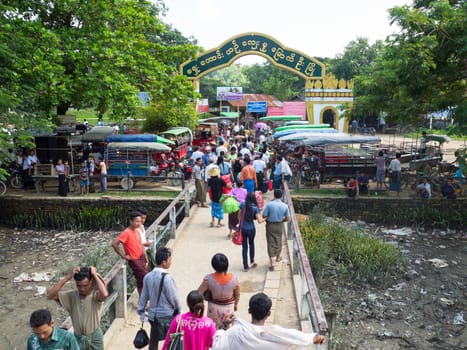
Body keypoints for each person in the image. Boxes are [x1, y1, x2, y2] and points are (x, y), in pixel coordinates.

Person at [212, 293, 326, 350]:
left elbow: (217, 346)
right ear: (268, 314)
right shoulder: (275, 333)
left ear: (249, 311)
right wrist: (313, 338)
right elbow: (294, 335)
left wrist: (224, 326)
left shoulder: (236, 332)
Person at [47, 266, 109, 350]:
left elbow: (104, 294)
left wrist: (94, 275)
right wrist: (68, 277)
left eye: (85, 285)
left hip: (95, 336)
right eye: (78, 286)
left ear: (91, 282)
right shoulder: (72, 296)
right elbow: (51, 295)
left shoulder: (95, 296)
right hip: (78, 337)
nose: (82, 289)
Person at [137, 247, 182, 350]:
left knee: (154, 340)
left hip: (154, 316)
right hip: (167, 316)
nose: (171, 262)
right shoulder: (167, 278)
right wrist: (179, 310)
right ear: (164, 262)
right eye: (169, 259)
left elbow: (144, 296)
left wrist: (141, 311)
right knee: (172, 339)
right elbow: (174, 298)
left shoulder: (147, 277)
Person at [198, 253, 240, 328]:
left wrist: (205, 297)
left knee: (213, 331)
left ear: (213, 266)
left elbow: (199, 293)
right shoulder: (234, 279)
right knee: (228, 330)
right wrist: (235, 305)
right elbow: (237, 295)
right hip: (228, 309)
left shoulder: (208, 279)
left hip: (213, 310)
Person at [112, 211, 148, 295]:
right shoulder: (126, 232)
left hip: (141, 256)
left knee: (140, 281)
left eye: (140, 221)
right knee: (146, 278)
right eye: (137, 221)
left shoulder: (137, 231)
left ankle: (142, 300)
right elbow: (114, 244)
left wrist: (145, 257)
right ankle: (145, 299)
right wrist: (123, 255)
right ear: (131, 221)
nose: (139, 223)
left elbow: (140, 244)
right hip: (135, 260)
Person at [262, 189, 290, 271]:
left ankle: (272, 263)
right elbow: (288, 218)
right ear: (281, 196)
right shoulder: (285, 206)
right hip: (279, 225)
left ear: (274, 195)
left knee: (271, 242)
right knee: (278, 240)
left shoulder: (269, 205)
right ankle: (278, 257)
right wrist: (282, 221)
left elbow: (264, 215)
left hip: (270, 225)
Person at [239, 192, 264, 272]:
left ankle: (245, 266)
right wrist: (266, 218)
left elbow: (239, 214)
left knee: (244, 247)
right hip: (251, 229)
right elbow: (260, 221)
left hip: (243, 228)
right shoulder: (255, 208)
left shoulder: (242, 204)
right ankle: (252, 261)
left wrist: (240, 223)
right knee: (251, 244)